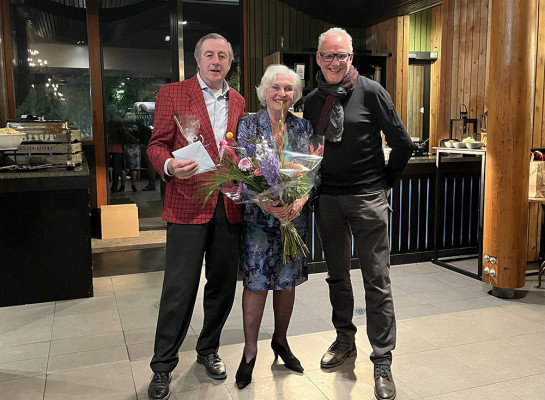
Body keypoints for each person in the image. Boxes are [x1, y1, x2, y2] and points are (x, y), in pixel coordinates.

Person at [303, 28, 413, 400]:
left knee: (376, 280)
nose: (334, 62)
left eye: (341, 55)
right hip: (329, 201)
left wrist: (387, 182)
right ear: (318, 58)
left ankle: (382, 360)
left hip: (367, 198)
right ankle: (344, 340)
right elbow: (308, 152)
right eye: (328, 55)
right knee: (337, 277)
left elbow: (402, 142)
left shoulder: (371, 92)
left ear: (351, 58)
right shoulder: (313, 101)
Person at [146, 33, 245, 400]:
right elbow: (157, 144)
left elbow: (237, 149)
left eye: (223, 55)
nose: (216, 61)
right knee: (179, 289)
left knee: (222, 286)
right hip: (186, 203)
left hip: (228, 205)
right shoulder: (173, 93)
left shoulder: (238, 100)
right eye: (209, 54)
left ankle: (208, 349)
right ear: (198, 60)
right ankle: (162, 366)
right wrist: (169, 165)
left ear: (230, 62)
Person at [233, 64, 316, 389]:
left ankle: (280, 341)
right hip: (258, 221)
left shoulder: (302, 126)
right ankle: (249, 351)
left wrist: (301, 199)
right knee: (255, 284)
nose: (282, 94)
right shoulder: (248, 125)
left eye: (288, 89)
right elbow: (241, 170)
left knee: (285, 282)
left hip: (292, 219)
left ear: (295, 94)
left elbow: (312, 172)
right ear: (264, 91)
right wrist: (263, 201)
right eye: (276, 87)